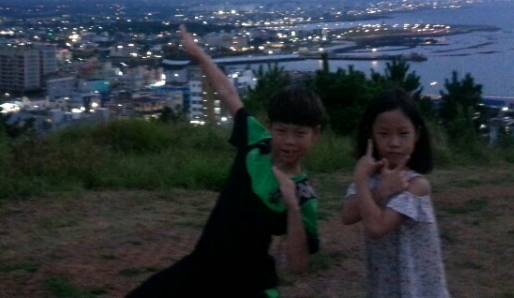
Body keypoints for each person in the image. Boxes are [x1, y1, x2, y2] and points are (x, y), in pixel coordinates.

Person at [125, 24, 327, 298]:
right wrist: (199, 54)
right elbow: (228, 93)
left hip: (249, 285)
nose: (289, 141)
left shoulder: (304, 195)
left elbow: (298, 266)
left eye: (300, 133)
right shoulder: (256, 143)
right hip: (203, 267)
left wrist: (292, 206)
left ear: (315, 135)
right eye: (281, 131)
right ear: (270, 127)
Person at [341, 90, 451, 298]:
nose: (394, 143)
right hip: (384, 286)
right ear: (371, 135)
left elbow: (376, 228)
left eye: (403, 134)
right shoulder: (371, 179)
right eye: (384, 134)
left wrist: (361, 180)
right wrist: (381, 190)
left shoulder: (416, 185)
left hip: (419, 290)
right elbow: (347, 215)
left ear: (417, 135)